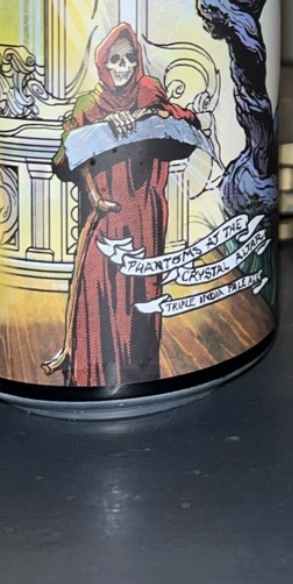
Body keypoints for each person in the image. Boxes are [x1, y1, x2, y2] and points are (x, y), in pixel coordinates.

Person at [43, 22, 195, 389]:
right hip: (104, 216)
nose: (122, 67)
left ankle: (139, 377)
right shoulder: (88, 105)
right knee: (98, 293)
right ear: (103, 63)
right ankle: (91, 376)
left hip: (144, 217)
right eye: (114, 59)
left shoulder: (149, 93)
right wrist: (103, 130)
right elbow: (63, 161)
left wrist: (155, 117)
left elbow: (186, 129)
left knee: (141, 299)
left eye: (129, 59)